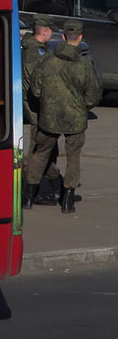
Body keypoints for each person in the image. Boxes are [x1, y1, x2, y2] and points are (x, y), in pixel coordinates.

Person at [26, 19, 102, 214]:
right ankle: (67, 201)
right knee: (73, 157)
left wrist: (48, 103)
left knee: (40, 155)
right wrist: (82, 107)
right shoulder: (84, 65)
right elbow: (93, 95)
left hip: (49, 117)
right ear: (80, 37)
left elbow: (35, 89)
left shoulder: (47, 60)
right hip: (75, 119)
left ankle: (28, 197)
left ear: (63, 36)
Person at [20, 14, 61, 207]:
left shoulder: (36, 50)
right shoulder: (34, 54)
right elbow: (37, 85)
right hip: (37, 108)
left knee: (44, 148)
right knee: (38, 150)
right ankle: (32, 191)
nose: (51, 33)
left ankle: (51, 187)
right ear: (44, 31)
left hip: (39, 107)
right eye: (50, 30)